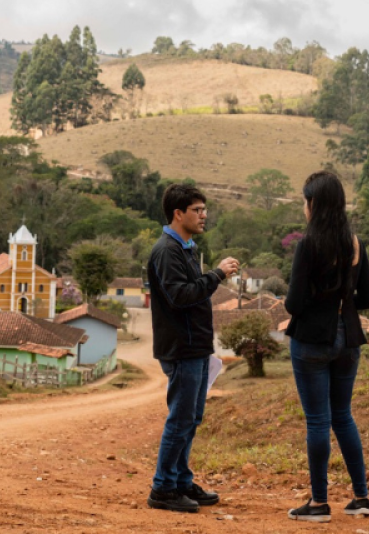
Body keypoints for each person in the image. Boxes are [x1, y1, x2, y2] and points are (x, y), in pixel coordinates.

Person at [283, 171, 369, 522]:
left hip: (312, 340)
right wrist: (341, 301)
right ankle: (361, 498)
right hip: (348, 339)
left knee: (318, 421)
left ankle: (319, 503)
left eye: (306, 200)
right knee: (343, 417)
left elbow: (293, 303)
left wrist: (315, 302)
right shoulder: (355, 244)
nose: (304, 206)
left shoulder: (308, 245)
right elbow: (366, 297)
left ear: (315, 204)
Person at [146, 184, 240, 513]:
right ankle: (163, 489)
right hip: (181, 349)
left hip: (197, 347)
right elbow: (180, 296)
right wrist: (216, 274)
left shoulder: (185, 248)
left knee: (192, 418)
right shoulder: (167, 251)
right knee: (180, 420)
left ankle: (181, 481)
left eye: (204, 209)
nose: (204, 215)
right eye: (197, 210)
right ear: (178, 213)